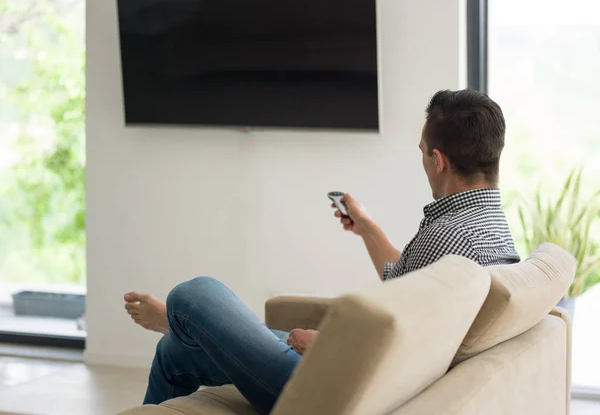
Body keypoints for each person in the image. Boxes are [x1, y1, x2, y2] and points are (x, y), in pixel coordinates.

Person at [124, 89, 520, 414]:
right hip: (359, 378)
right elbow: (405, 287)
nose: (422, 162)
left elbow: (408, 351)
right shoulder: (488, 226)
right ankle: (185, 331)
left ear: (439, 160)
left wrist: (327, 348)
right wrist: (365, 227)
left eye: (422, 152)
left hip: (336, 390)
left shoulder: (447, 235)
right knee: (174, 352)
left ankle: (181, 320)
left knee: (194, 293)